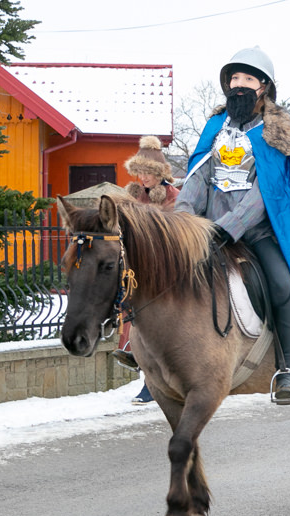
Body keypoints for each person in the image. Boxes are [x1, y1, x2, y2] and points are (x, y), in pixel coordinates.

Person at [176, 46, 290, 404]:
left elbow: (269, 192)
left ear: (263, 86)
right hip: (208, 228)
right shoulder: (215, 128)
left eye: (247, 79)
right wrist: (184, 220)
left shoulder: (276, 131)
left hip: (257, 232)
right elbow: (198, 176)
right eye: (234, 78)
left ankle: (286, 369)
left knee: (282, 285)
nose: (238, 85)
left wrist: (230, 227)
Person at [112, 135, 180, 404]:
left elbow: (175, 233)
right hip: (137, 266)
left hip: (165, 267)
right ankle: (131, 351)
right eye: (139, 172)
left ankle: (154, 383)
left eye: (148, 172)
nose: (143, 178)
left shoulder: (173, 197)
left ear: (159, 173)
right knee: (129, 306)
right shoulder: (132, 196)